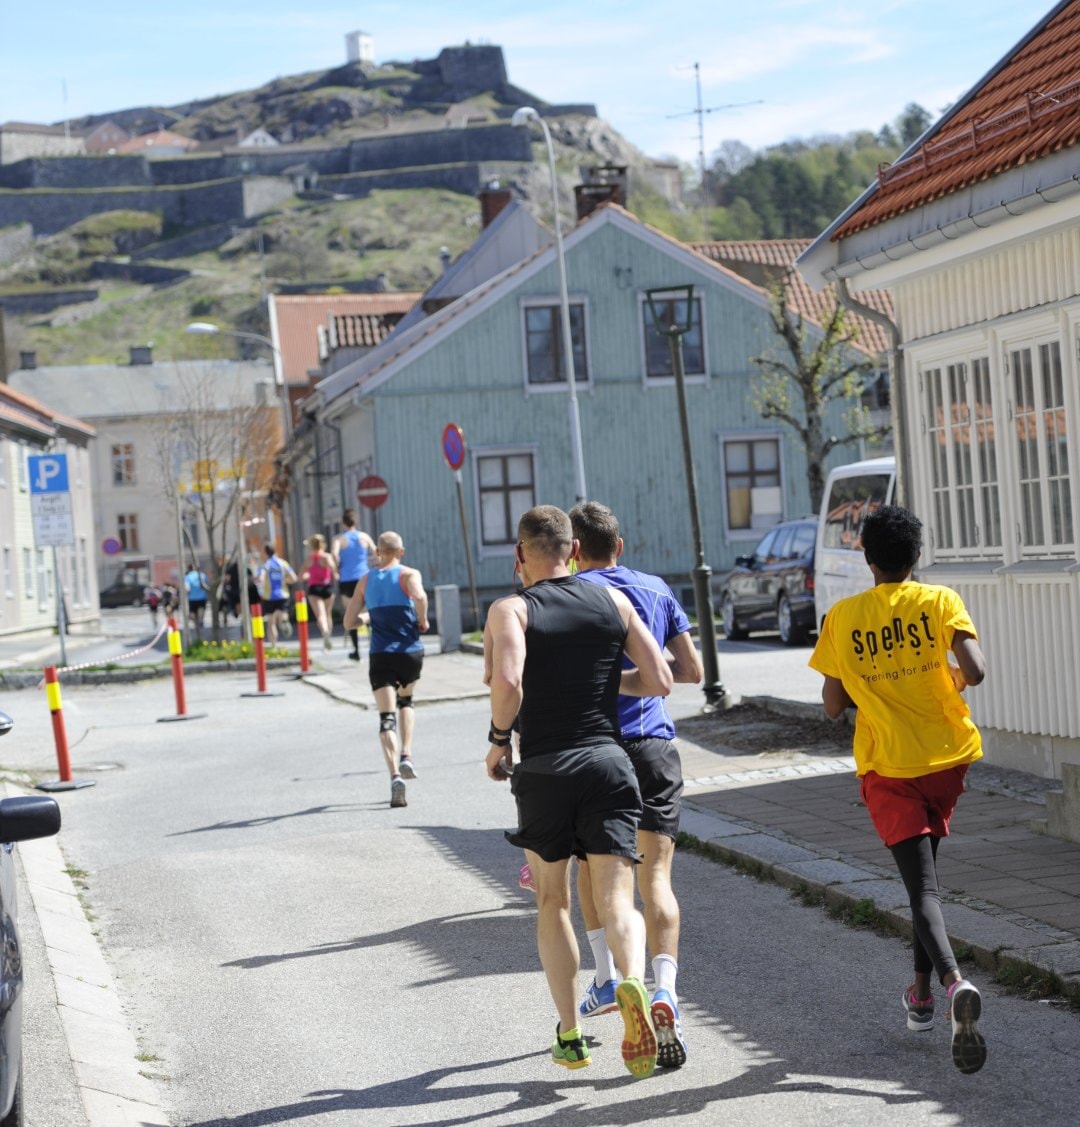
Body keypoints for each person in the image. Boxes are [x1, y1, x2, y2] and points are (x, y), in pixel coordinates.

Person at [484, 505, 673, 1078]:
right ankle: (633, 982)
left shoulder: (510, 608)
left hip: (545, 768)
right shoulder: (613, 601)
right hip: (609, 764)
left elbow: (509, 681)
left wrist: (498, 741)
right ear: (572, 551)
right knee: (619, 897)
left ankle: (570, 1035)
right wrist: (602, 679)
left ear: (520, 556)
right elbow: (661, 678)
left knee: (552, 899)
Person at [808, 505, 987, 1074]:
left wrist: (872, 687)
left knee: (922, 890)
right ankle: (922, 999)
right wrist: (946, 680)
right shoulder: (940, 601)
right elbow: (975, 670)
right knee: (925, 882)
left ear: (867, 558)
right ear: (917, 555)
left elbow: (834, 705)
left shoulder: (843, 616)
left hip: (889, 767)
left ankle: (954, 981)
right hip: (948, 759)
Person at [569, 501, 702, 1070]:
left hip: (599, 752)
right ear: (618, 545)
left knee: (599, 881)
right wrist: (645, 681)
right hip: (656, 750)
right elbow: (690, 672)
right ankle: (667, 989)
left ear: (574, 551)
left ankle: (607, 979)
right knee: (658, 881)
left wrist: (607, 687)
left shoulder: (573, 598)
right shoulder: (655, 588)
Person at [343, 531, 428, 808]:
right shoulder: (408, 574)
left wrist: (369, 616)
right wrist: (422, 619)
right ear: (400, 552)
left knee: (385, 718)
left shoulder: (365, 580)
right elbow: (419, 596)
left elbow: (348, 622)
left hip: (380, 655)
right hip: (409, 652)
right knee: (407, 700)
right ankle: (406, 754)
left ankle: (394, 777)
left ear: (378, 552)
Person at [333, 510, 376, 661]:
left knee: (351, 615)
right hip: (364, 577)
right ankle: (375, 647)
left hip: (347, 580)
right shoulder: (363, 537)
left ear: (343, 523)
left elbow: (334, 556)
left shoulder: (339, 540)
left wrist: (337, 568)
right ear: (355, 522)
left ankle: (356, 651)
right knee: (369, 612)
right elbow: (376, 552)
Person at [302, 534, 339, 652]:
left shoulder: (309, 559)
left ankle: (324, 632)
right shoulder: (327, 557)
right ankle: (329, 637)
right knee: (328, 614)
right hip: (327, 587)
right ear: (323, 544)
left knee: (320, 615)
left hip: (314, 588)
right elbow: (335, 572)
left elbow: (301, 575)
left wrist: (308, 575)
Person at [255, 543, 298, 646]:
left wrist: (258, 581)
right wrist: (285, 580)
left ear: (265, 552)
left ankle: (274, 644)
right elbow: (294, 578)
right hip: (283, 594)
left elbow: (261, 578)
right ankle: (284, 621)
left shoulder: (265, 565)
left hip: (269, 596)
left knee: (271, 622)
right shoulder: (283, 563)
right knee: (283, 612)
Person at [184, 564, 209, 639]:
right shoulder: (202, 575)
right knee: (201, 610)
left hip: (192, 598)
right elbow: (207, 585)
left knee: (193, 615)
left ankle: (197, 630)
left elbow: (187, 588)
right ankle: (201, 620)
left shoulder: (187, 576)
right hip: (202, 597)